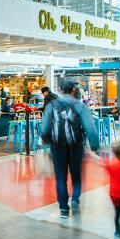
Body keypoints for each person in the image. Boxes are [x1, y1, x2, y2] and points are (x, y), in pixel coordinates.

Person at [40, 80, 100, 218]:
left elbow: (45, 128)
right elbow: (90, 128)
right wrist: (95, 146)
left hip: (57, 146)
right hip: (75, 146)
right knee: (76, 176)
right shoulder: (80, 106)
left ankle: (63, 209)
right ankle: (74, 199)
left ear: (61, 90)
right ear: (74, 90)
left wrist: (47, 142)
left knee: (60, 178)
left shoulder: (51, 106)